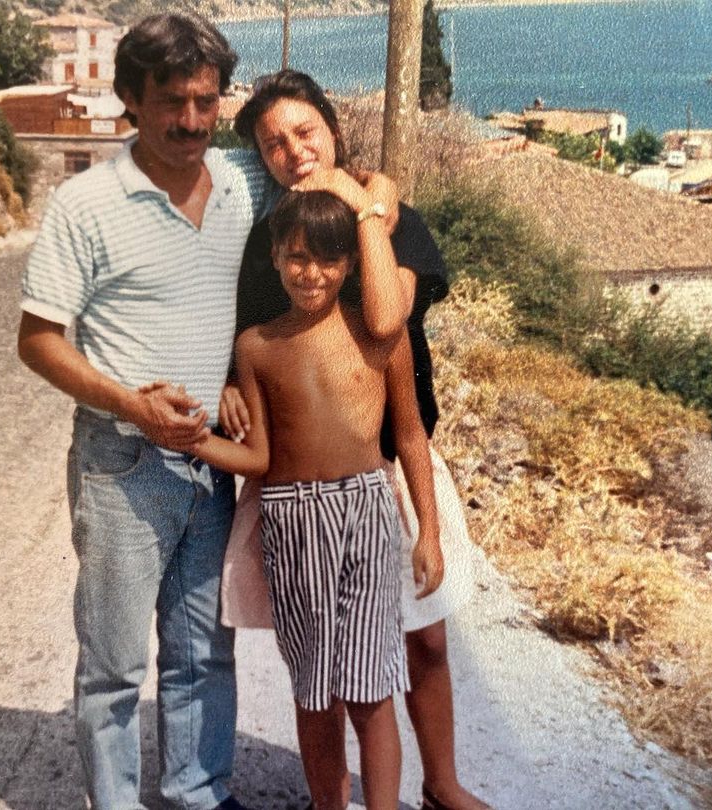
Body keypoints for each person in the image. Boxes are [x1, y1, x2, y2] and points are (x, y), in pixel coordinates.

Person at [15, 14, 281, 810]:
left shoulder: (245, 179)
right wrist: (133, 404)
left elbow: (332, 177)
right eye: (172, 101)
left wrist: (232, 373)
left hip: (213, 461)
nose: (193, 121)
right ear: (131, 98)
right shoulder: (86, 203)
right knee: (114, 665)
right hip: (122, 463)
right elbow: (38, 342)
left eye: (207, 100)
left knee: (204, 652)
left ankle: (199, 793)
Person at [223, 70, 490, 810]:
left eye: (304, 131)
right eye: (273, 144)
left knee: (425, 636)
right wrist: (226, 383)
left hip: (395, 463)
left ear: (334, 131)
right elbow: (249, 338)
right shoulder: (272, 242)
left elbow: (382, 318)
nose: (293, 151)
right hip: (309, 480)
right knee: (328, 664)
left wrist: (368, 204)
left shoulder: (400, 223)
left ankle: (441, 784)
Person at [187, 189, 444, 810]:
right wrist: (193, 440)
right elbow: (259, 458)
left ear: (350, 264)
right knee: (313, 691)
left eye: (328, 259)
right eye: (297, 257)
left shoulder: (381, 338)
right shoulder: (256, 347)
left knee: (371, 690)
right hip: (290, 518)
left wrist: (429, 533)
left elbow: (411, 436)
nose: (312, 273)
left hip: (366, 512)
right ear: (276, 257)